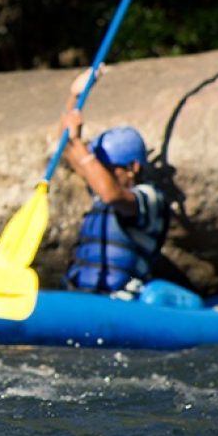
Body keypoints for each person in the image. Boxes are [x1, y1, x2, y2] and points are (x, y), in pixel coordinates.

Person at [60, 69, 170, 296]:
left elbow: (113, 195)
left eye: (108, 168)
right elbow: (69, 150)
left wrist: (80, 147)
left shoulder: (150, 199)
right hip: (83, 295)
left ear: (133, 168)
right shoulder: (101, 189)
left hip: (120, 299)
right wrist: (74, 98)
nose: (99, 172)